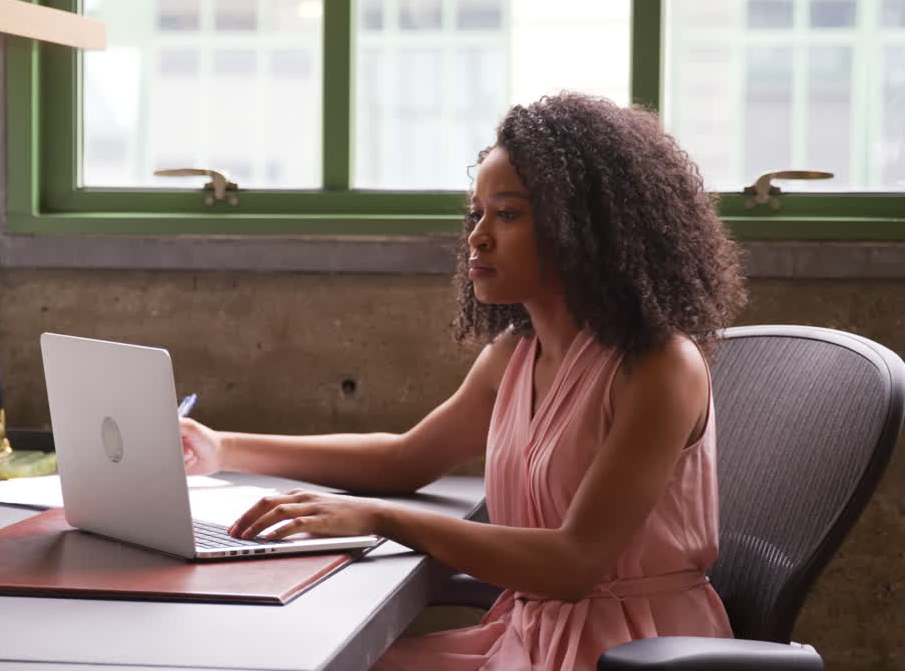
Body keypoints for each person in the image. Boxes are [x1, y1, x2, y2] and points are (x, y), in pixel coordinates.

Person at [179, 92, 747, 671]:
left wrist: (382, 519)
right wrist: (220, 447)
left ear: (586, 226)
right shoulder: (515, 355)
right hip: (530, 634)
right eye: (476, 213)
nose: (477, 236)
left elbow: (574, 564)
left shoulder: (657, 367)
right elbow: (405, 459)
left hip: (628, 648)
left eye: (507, 214)